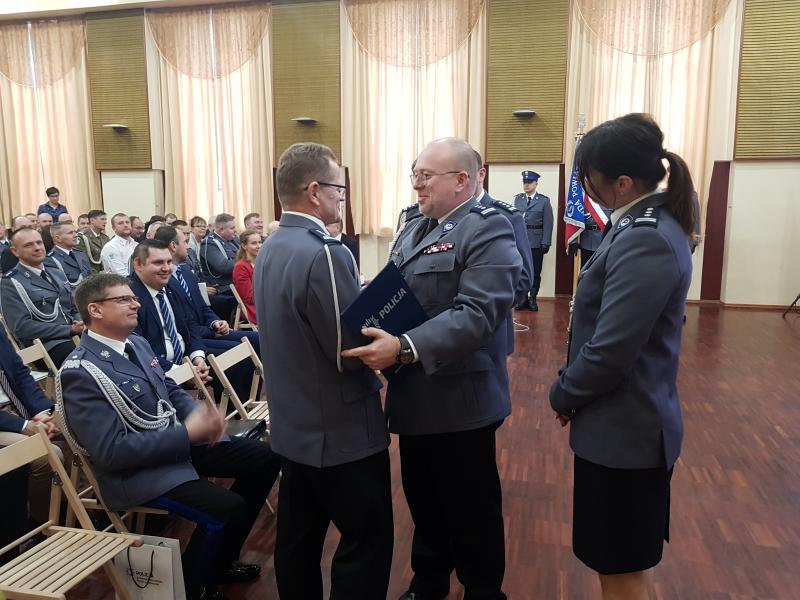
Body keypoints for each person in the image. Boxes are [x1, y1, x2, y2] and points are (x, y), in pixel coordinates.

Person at [343, 137, 521, 600]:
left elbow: (478, 314)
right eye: (415, 175)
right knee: (423, 501)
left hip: (461, 402)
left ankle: (483, 590)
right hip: (413, 395)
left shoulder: (489, 228)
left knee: (472, 509)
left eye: (425, 176)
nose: (417, 184)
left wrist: (403, 346)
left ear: (462, 180)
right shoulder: (413, 227)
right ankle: (429, 582)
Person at [59, 273, 281, 600]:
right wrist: (187, 433)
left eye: (134, 297)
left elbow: (169, 389)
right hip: (138, 471)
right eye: (123, 299)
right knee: (227, 508)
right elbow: (111, 452)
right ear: (96, 310)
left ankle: (219, 561)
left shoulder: (135, 343)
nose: (135, 304)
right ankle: (194, 587)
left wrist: (195, 415)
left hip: (174, 446)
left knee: (266, 457)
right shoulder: (81, 372)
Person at [548, 113, 694, 600]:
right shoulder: (640, 224)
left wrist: (564, 393)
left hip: (625, 437)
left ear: (623, 183)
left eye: (589, 179)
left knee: (621, 571)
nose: (586, 189)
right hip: (618, 430)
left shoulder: (645, 237)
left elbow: (611, 350)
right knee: (622, 567)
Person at [255, 142, 393, 599]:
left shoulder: (272, 245)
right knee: (366, 542)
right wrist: (393, 337)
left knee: (298, 542)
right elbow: (347, 350)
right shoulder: (327, 253)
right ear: (315, 191)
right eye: (340, 188)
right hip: (340, 428)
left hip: (293, 425)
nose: (342, 197)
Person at [154, 226, 260, 404]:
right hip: (192, 336)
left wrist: (216, 322)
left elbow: (203, 307)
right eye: (185, 242)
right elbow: (183, 324)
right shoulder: (164, 280)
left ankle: (251, 400)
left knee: (257, 340)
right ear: (173, 246)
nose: (189, 246)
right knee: (236, 353)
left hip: (205, 330)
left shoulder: (186, 274)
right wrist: (211, 330)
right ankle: (233, 407)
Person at [0, 325, 61, 524]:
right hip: (4, 423)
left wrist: (42, 412)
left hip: (19, 408)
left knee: (77, 429)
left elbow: (20, 373)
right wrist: (23, 425)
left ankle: (78, 513)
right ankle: (42, 524)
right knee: (48, 455)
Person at [127, 240, 212, 379]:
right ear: (138, 264)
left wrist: (198, 357)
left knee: (237, 362)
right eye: (158, 263)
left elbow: (190, 324)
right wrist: (182, 373)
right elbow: (138, 350)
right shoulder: (128, 297)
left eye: (169, 262)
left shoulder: (172, 284)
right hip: (155, 369)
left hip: (186, 357)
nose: (167, 268)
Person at [0, 228, 83, 366]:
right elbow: (22, 327)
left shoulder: (56, 273)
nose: (37, 248)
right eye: (28, 245)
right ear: (15, 251)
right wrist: (69, 330)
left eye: (39, 242)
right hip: (48, 345)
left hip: (76, 334)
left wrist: (80, 322)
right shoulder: (11, 283)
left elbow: (73, 307)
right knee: (83, 356)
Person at [473, 150, 533, 322]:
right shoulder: (440, 216)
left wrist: (479, 312)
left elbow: (523, 279)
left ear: (481, 174)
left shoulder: (506, 216)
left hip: (489, 323)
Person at [513, 170, 553, 311]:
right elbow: (513, 221)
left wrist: (546, 242)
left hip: (536, 242)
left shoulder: (543, 201)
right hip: (520, 242)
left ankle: (532, 299)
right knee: (521, 271)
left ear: (536, 184)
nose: (526, 185)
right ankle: (522, 299)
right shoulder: (517, 199)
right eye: (524, 182)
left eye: (529, 182)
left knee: (535, 272)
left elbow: (548, 223)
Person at [199, 213, 239, 322]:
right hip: (222, 288)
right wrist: (245, 261)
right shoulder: (209, 243)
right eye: (232, 228)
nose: (235, 230)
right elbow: (223, 267)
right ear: (221, 230)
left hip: (234, 285)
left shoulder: (234, 240)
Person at [44, 221, 93, 290]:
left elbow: (90, 276)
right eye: (70, 233)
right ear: (58, 238)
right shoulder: (50, 260)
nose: (75, 235)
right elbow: (60, 288)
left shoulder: (80, 254)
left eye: (75, 232)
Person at [232, 229, 261, 326]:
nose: (258, 246)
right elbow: (250, 298)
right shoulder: (240, 266)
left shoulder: (262, 262)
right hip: (255, 307)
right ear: (244, 246)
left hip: (266, 302)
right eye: (254, 243)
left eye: (259, 242)